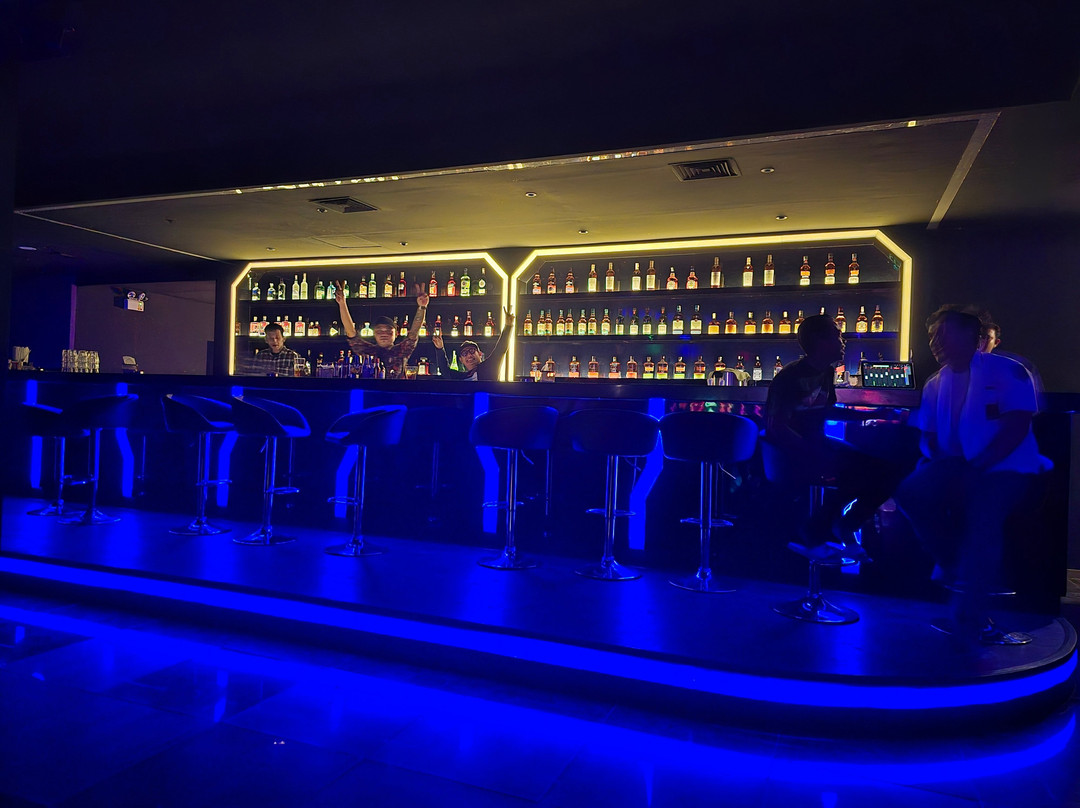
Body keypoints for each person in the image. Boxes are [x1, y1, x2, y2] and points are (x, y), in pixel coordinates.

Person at [894, 305, 1050, 645]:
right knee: (910, 492)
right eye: (932, 336)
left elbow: (1017, 426)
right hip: (960, 465)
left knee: (983, 513)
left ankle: (970, 620)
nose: (935, 343)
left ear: (971, 336)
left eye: (943, 334)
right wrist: (938, 462)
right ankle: (955, 564)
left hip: (1009, 466)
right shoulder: (935, 383)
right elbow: (929, 436)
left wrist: (978, 465)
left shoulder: (1008, 370)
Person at [764, 314, 910, 561]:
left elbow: (825, 410)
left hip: (816, 445)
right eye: (837, 335)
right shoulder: (790, 377)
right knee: (857, 472)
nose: (843, 341)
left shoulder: (826, 372)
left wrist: (872, 414)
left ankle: (842, 525)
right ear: (819, 341)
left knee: (889, 471)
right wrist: (812, 452)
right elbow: (776, 426)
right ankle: (819, 530)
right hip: (788, 452)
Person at [334, 282, 428, 378]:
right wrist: (342, 303)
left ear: (396, 334)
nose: (384, 334)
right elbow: (351, 332)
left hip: (397, 388)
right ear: (374, 334)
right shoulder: (367, 350)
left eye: (388, 330)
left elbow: (413, 333)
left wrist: (422, 308)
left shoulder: (401, 351)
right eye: (379, 331)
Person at [432, 309, 515, 381]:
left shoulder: (489, 369)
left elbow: (500, 350)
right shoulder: (461, 377)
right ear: (461, 360)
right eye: (464, 353)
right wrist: (440, 348)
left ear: (480, 354)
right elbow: (445, 371)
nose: (469, 355)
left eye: (472, 351)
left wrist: (508, 326)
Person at [978, 316, 1045, 395]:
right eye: (978, 336)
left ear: (996, 342)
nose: (979, 342)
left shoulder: (1013, 370)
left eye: (986, 338)